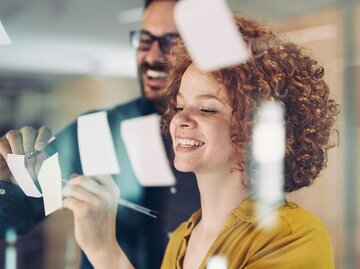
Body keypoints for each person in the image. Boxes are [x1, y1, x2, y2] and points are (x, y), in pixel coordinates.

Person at [62, 15, 339, 269]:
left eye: (207, 108)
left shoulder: (292, 236)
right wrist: (99, 247)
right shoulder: (182, 237)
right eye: (180, 106)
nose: (180, 120)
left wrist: (105, 253)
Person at [0, 1, 200, 269]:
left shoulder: (226, 139)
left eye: (170, 41)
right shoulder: (98, 130)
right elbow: (16, 218)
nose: (152, 56)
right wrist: (8, 184)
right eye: (145, 39)